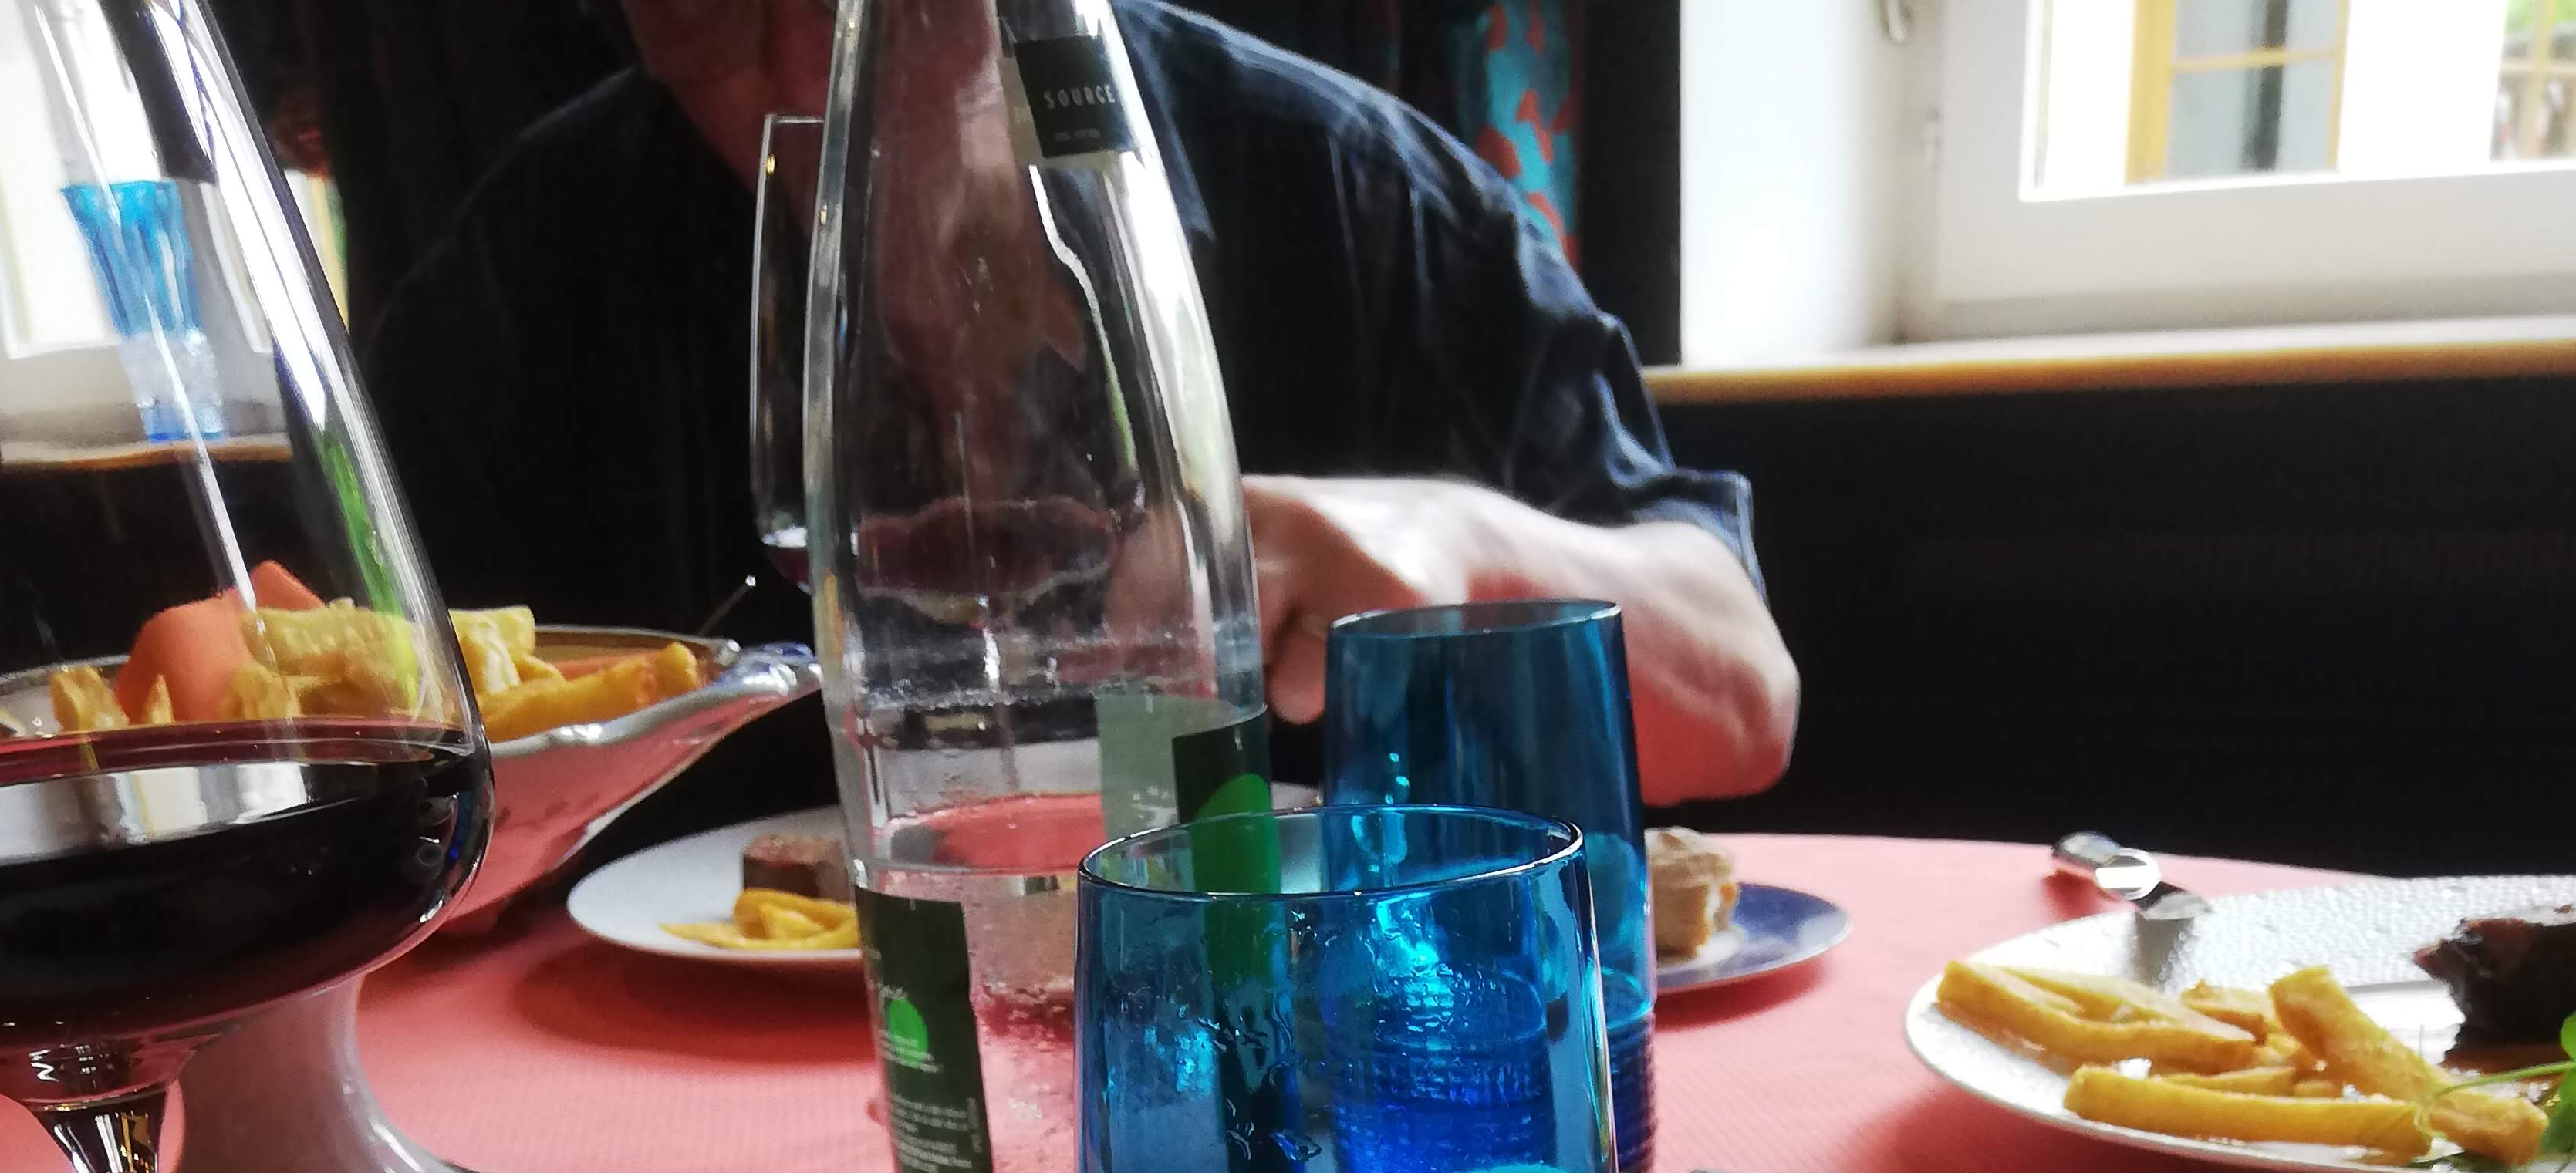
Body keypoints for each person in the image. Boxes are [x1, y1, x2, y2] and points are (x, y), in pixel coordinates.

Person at [365, 0, 1795, 801]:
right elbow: (371, 766)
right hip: (680, 1120)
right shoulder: (531, 269)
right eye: (714, 11)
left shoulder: (1348, 193)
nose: (812, 69)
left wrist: (1458, 550)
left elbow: (1743, 696)